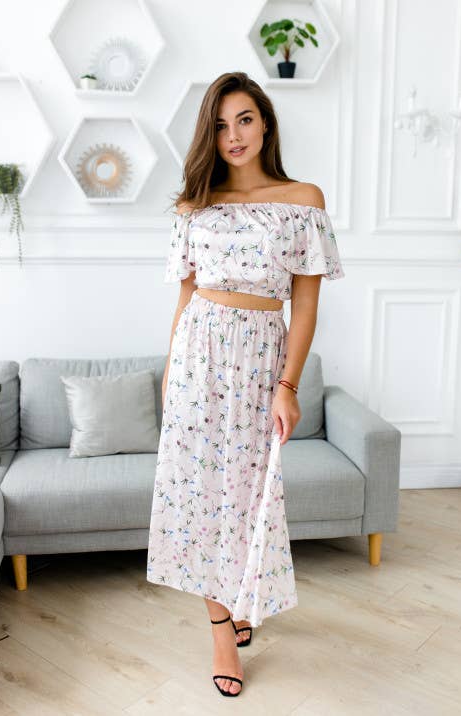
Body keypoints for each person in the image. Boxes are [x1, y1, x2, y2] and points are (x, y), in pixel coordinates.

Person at [147, 71, 345, 698]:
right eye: (220, 125)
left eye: (244, 120)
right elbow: (185, 296)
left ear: (265, 123)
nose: (233, 135)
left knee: (249, 493)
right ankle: (220, 632)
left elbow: (305, 305)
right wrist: (171, 372)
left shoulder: (302, 200)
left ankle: (243, 598)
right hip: (198, 358)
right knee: (202, 496)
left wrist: (288, 385)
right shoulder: (194, 206)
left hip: (261, 360)